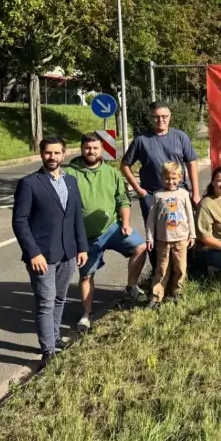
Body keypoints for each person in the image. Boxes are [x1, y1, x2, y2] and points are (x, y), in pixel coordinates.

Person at [12, 136, 88, 369]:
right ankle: (47, 351)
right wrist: (33, 253)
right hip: (42, 256)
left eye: (57, 153)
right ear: (41, 154)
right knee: (45, 302)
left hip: (67, 253)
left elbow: (76, 217)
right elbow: (20, 221)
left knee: (59, 298)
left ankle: (55, 339)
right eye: (48, 153)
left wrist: (82, 246)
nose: (52, 157)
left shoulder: (72, 182)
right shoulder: (29, 183)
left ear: (64, 154)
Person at [65, 133, 149, 333]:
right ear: (81, 148)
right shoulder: (69, 173)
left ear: (101, 149)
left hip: (112, 228)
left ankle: (131, 286)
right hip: (85, 237)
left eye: (95, 148)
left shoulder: (111, 173)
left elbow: (123, 200)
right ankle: (87, 315)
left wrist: (126, 223)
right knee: (86, 276)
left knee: (140, 246)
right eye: (87, 148)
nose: (91, 151)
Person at [120, 101, 201, 268]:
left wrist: (196, 193)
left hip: (179, 194)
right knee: (155, 236)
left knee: (182, 231)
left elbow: (191, 163)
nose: (160, 120)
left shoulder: (180, 136)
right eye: (156, 117)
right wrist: (139, 190)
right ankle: (158, 274)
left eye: (164, 116)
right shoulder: (141, 140)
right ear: (150, 118)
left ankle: (185, 271)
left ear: (170, 117)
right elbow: (124, 165)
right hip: (152, 196)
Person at [145, 162, 196, 308]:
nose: (171, 181)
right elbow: (151, 218)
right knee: (161, 268)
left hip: (181, 239)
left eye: (174, 178)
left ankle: (177, 292)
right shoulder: (158, 195)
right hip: (163, 240)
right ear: (162, 178)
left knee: (180, 267)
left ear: (180, 178)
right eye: (167, 178)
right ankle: (156, 296)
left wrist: (192, 235)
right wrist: (149, 237)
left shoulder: (184, 194)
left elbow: (189, 215)